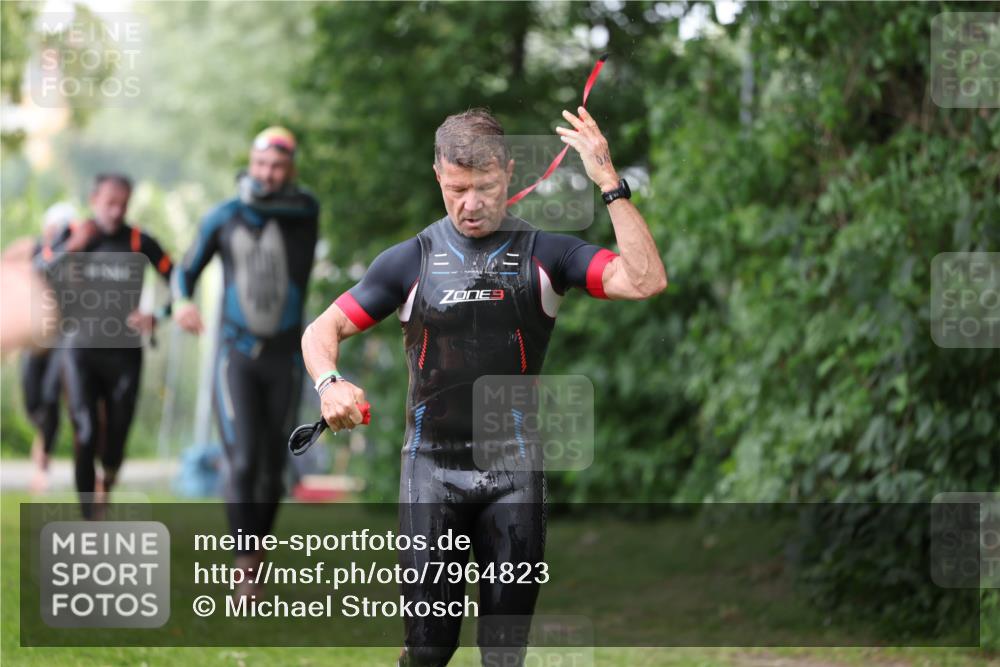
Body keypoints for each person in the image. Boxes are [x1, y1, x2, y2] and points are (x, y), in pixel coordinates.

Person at [301, 107, 666, 666]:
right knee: (428, 651)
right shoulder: (410, 261)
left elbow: (645, 280)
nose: (470, 205)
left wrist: (609, 183)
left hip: (513, 473)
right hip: (431, 470)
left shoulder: (549, 254)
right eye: (457, 189)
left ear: (510, 173)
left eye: (485, 188)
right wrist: (330, 384)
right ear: (438, 178)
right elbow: (322, 328)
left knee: (503, 655)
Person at [172, 127, 319, 596]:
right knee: (241, 459)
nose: (267, 175)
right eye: (259, 165)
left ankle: (256, 553)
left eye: (277, 167)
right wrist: (181, 303)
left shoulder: (306, 213)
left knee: (274, 464)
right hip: (234, 356)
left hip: (286, 358)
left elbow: (287, 207)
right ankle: (245, 565)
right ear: (249, 164)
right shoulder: (224, 217)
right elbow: (185, 270)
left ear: (290, 170)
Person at [37, 174, 174, 519]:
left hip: (124, 354)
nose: (115, 212)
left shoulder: (139, 240)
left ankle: (107, 483)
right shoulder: (75, 234)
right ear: (93, 199)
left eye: (122, 204)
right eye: (109, 203)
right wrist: (73, 246)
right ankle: (89, 515)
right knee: (84, 430)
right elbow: (38, 268)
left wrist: (157, 314)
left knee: (115, 436)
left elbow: (180, 278)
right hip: (79, 349)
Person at [20, 202, 76, 492]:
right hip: (34, 335)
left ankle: (43, 463)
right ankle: (41, 434)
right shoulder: (34, 251)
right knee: (32, 399)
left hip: (63, 338)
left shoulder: (74, 255)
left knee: (51, 395)